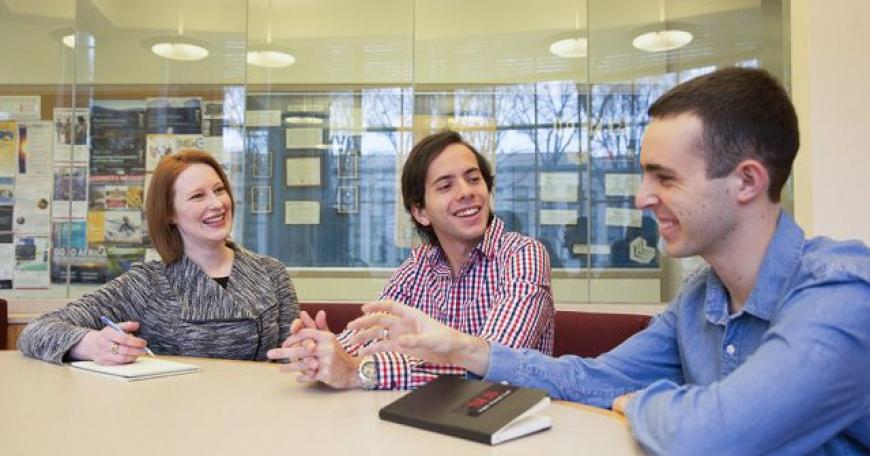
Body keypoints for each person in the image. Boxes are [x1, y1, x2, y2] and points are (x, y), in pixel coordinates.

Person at [346, 68, 870, 455]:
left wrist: (636, 402)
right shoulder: (697, 300)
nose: (642, 197)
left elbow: (712, 435)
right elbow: (595, 379)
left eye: (664, 178)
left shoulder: (842, 293)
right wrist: (462, 347)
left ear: (747, 181)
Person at [268, 131, 555, 390]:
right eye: (446, 186)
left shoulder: (524, 256)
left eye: (473, 178)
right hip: (431, 423)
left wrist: (360, 371)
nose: (467, 192)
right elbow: (368, 337)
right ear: (420, 212)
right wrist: (321, 350)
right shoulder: (417, 268)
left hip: (510, 426)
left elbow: (491, 366)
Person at [19, 149, 299, 364]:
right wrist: (90, 344)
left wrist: (311, 350)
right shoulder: (148, 284)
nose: (217, 204)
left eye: (219, 190)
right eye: (197, 196)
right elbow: (36, 332)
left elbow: (290, 359)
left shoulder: (271, 273)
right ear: (169, 214)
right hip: (176, 423)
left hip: (258, 419)